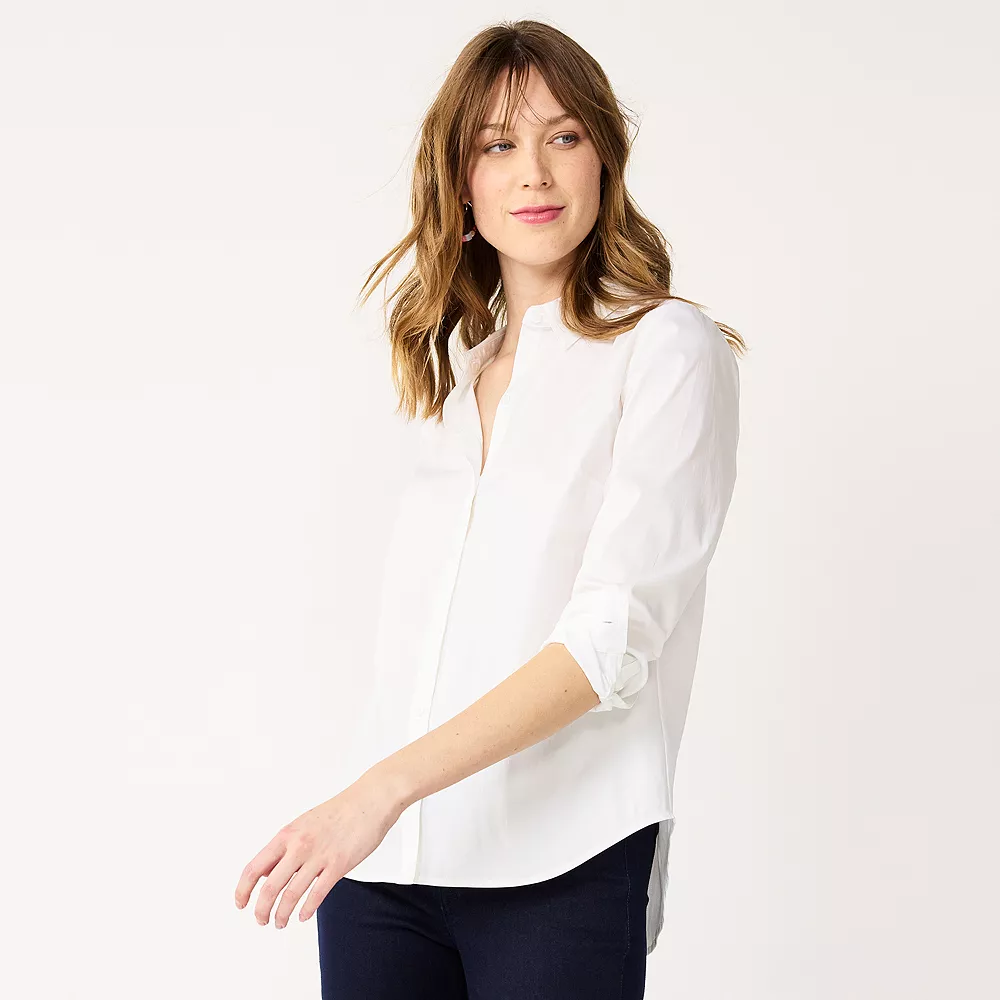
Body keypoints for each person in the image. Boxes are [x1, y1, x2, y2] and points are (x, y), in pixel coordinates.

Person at [234, 19, 747, 999]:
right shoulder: (452, 374)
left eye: (563, 136)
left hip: (558, 859)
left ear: (604, 157)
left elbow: (609, 642)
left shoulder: (667, 349)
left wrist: (380, 789)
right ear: (461, 182)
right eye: (498, 145)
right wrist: (373, 804)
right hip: (382, 874)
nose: (534, 174)